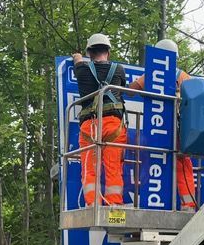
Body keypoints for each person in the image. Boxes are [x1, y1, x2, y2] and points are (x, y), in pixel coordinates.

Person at [129, 39, 197, 211]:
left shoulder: (151, 75)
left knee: (154, 160)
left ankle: (154, 202)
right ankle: (188, 204)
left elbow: (131, 90)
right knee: (182, 163)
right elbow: (193, 100)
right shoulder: (183, 76)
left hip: (157, 129)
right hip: (178, 128)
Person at [73, 33, 128, 206]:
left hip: (89, 126)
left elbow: (78, 61)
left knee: (89, 169)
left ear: (90, 53)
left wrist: (77, 56)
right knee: (113, 167)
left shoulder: (82, 70)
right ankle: (114, 205)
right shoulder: (119, 70)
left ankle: (92, 204)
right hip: (114, 126)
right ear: (108, 52)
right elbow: (122, 89)